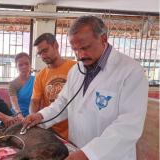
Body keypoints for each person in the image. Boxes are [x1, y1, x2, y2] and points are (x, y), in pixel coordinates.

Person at [22, 16, 148, 160]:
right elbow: (63, 102)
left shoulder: (131, 71)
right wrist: (41, 116)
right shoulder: (76, 70)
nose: (80, 55)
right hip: (76, 149)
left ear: (103, 39)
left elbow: (128, 126)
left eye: (85, 47)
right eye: (75, 49)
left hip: (108, 156)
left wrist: (89, 154)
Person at [29, 33, 76, 139]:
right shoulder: (40, 75)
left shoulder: (75, 68)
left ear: (56, 45)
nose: (43, 56)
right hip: (51, 130)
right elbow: (35, 101)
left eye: (45, 51)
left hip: (74, 130)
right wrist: (33, 116)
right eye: (39, 53)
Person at [8, 52, 34, 117]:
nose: (24, 67)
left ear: (30, 65)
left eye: (26, 64)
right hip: (17, 115)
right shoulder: (13, 84)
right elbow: (14, 104)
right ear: (16, 67)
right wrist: (19, 114)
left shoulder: (36, 80)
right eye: (20, 65)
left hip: (34, 114)